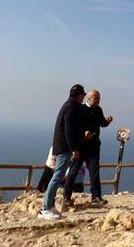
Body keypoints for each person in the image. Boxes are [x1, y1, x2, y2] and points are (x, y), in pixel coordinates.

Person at [40, 84, 87, 220]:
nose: (83, 97)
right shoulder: (71, 108)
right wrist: (73, 149)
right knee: (57, 177)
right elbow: (68, 130)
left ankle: (50, 206)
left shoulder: (69, 106)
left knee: (58, 176)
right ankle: (45, 208)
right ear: (79, 95)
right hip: (64, 147)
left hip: (62, 146)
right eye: (83, 95)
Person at [80, 89, 113, 204]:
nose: (98, 100)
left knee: (94, 171)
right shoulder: (81, 109)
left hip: (94, 145)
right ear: (89, 98)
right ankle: (67, 196)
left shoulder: (98, 109)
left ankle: (96, 196)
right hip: (82, 146)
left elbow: (102, 123)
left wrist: (107, 122)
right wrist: (83, 133)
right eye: (96, 98)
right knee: (74, 170)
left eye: (99, 98)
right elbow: (76, 126)